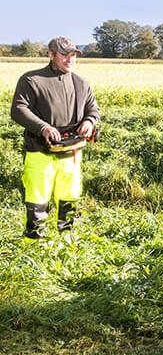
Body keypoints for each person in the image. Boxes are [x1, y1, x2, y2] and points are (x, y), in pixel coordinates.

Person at [10, 37, 100, 238]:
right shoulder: (31, 80)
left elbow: (93, 109)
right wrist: (43, 127)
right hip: (40, 150)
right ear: (50, 55)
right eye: (64, 55)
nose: (70, 60)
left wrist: (89, 121)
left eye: (73, 55)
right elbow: (17, 109)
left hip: (72, 151)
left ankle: (66, 240)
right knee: (37, 199)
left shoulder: (81, 83)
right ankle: (34, 243)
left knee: (69, 196)